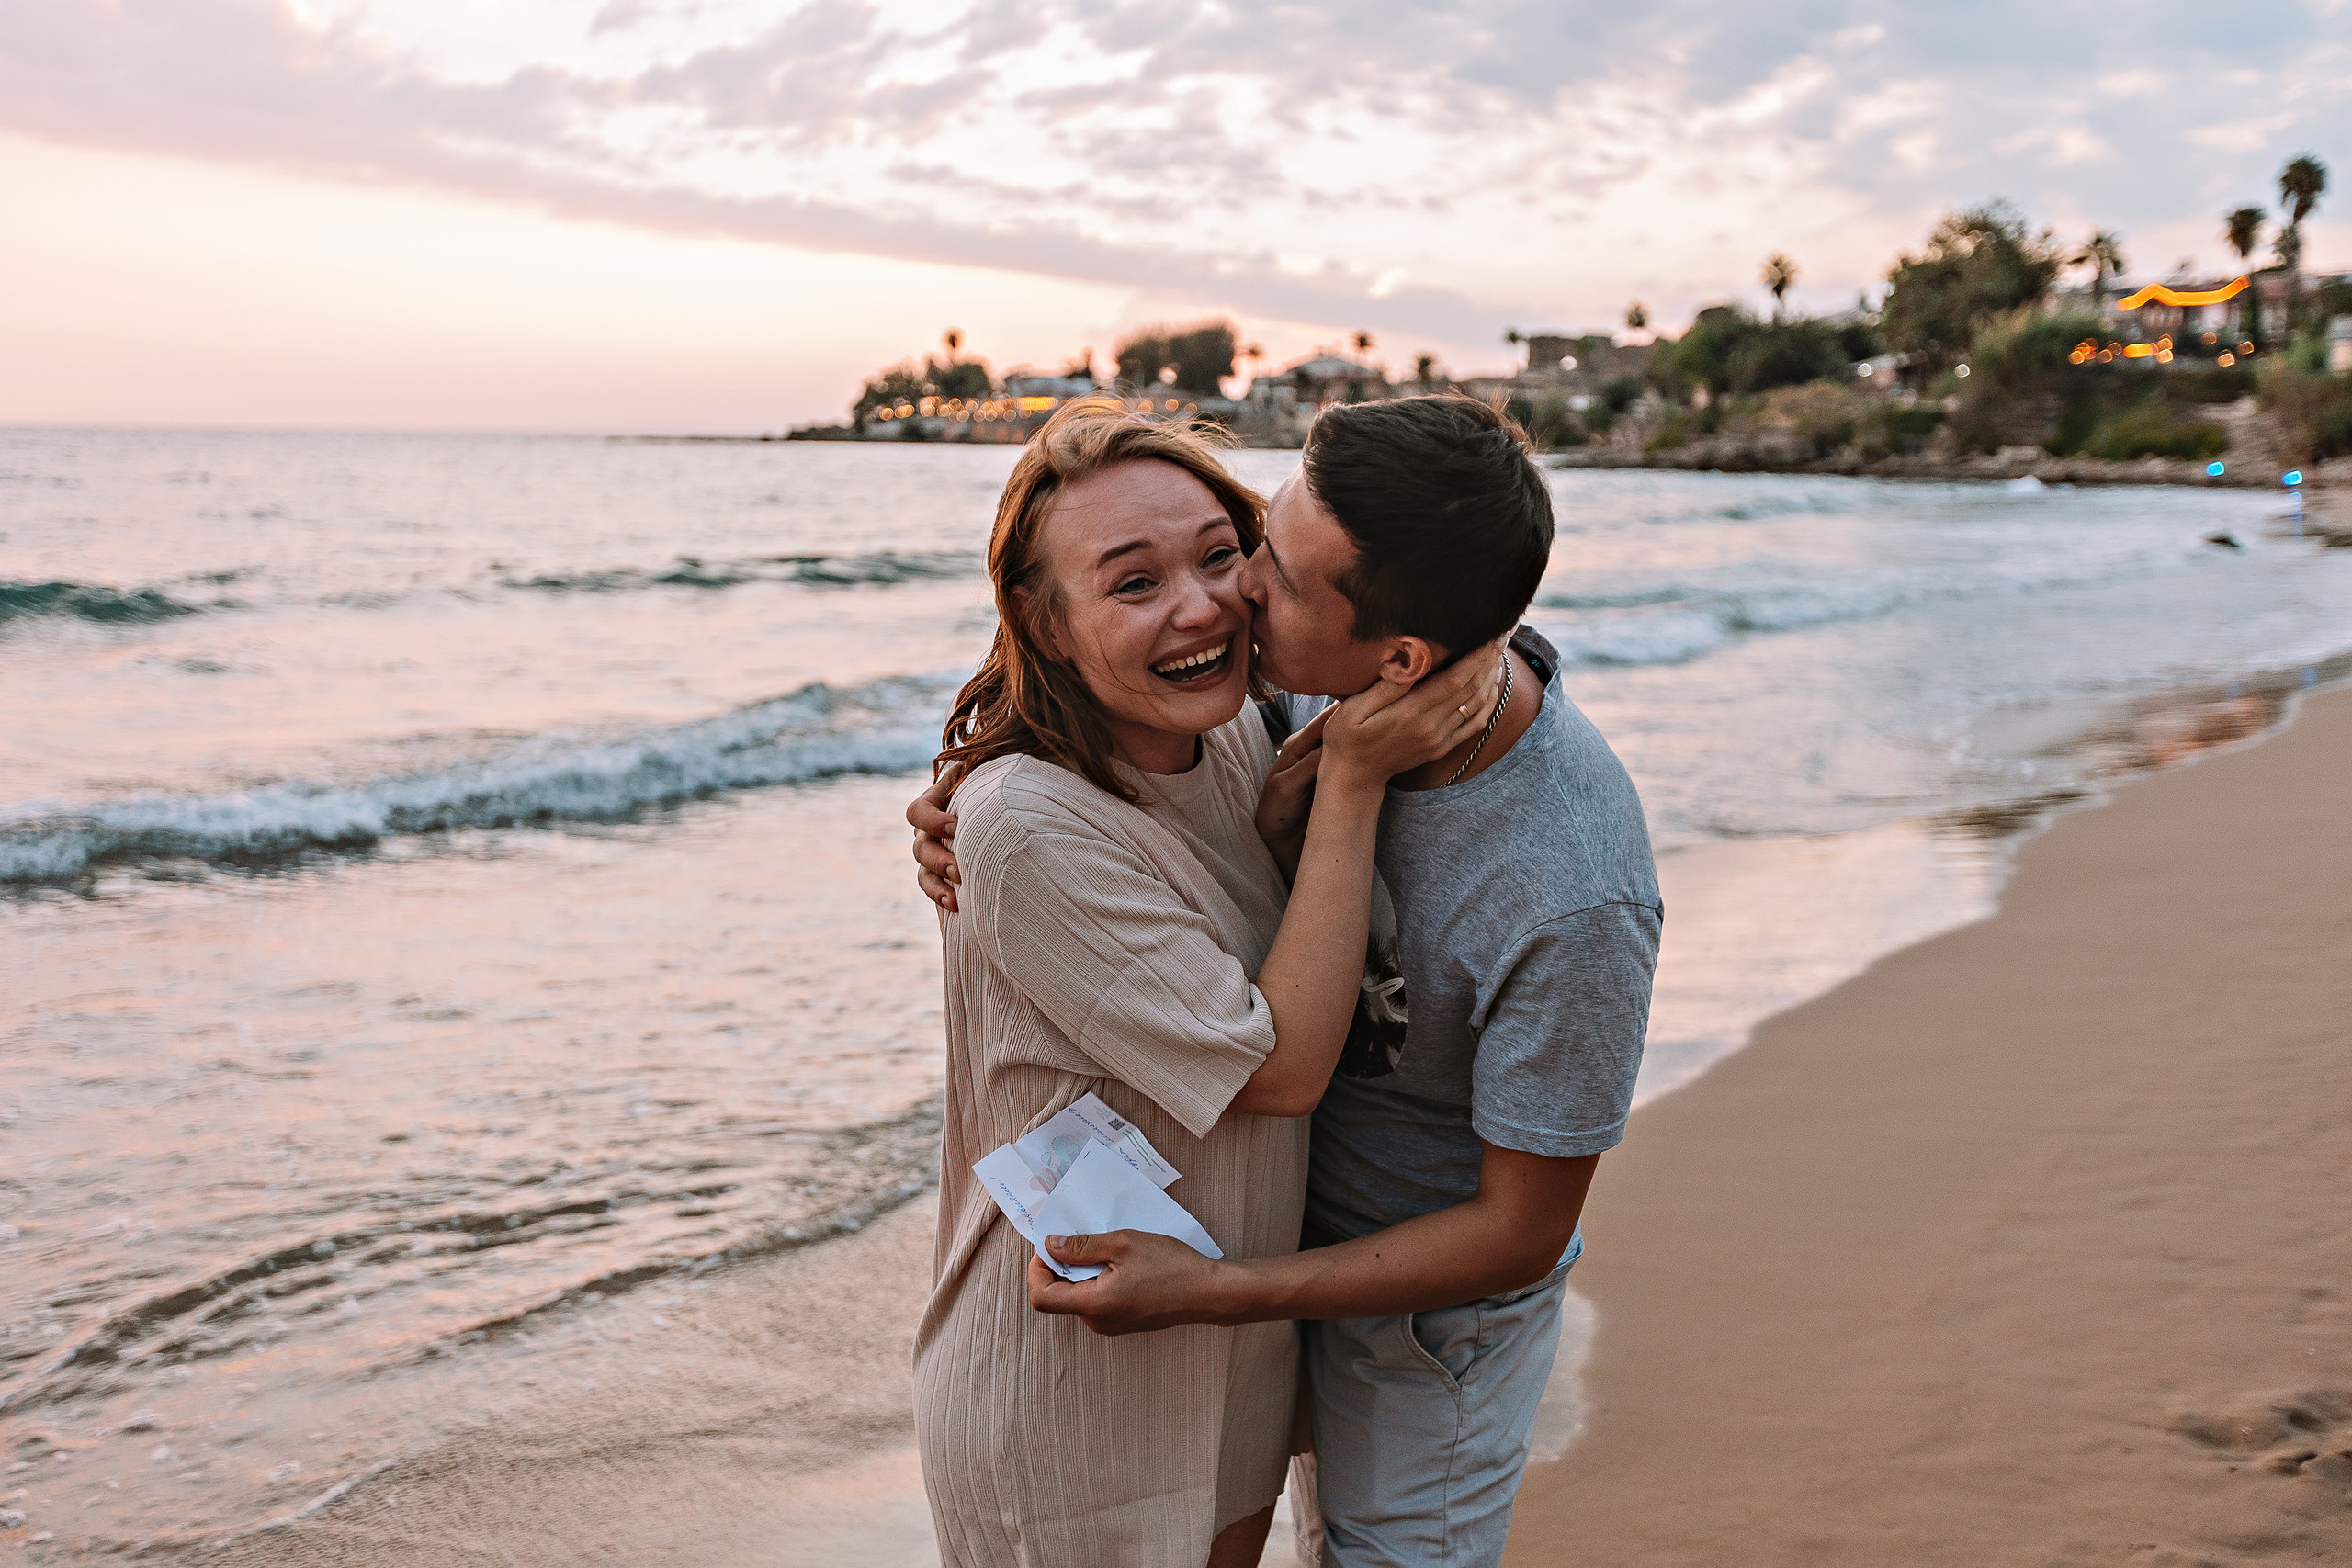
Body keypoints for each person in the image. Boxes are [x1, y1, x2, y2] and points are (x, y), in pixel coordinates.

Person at [911, 394, 1661, 1567]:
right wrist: (973, 781)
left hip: (1401, 1312)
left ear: (1400, 663)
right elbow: (1086, 680)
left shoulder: (1564, 886)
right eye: (1258, 533)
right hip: (1133, 1329)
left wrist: (1227, 1291)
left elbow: (1519, 1232)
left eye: (1249, 560)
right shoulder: (1280, 697)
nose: (1236, 592)